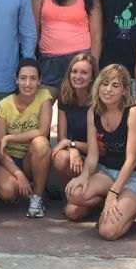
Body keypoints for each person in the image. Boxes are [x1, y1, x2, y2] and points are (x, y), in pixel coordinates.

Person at [65, 64, 136, 240]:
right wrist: (84, 176)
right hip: (107, 172)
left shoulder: (134, 113)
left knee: (108, 231)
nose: (108, 90)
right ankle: (114, 204)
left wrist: (113, 193)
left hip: (135, 175)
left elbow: (132, 160)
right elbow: (93, 155)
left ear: (125, 90)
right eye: (104, 84)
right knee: (73, 197)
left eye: (115, 85)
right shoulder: (93, 111)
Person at [32, 0, 102, 95]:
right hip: (48, 60)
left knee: (75, 112)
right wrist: (31, 62)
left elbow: (96, 36)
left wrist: (93, 69)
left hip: (79, 61)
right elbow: (34, 30)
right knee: (44, 110)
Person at [0, 59, 52, 218]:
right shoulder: (3, 105)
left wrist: (11, 136)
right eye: (23, 78)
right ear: (16, 79)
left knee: (42, 143)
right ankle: (18, 187)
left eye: (33, 78)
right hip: (7, 160)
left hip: (30, 158)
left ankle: (37, 198)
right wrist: (18, 174)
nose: (28, 83)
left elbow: (43, 130)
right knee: (7, 191)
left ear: (39, 80)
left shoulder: (44, 96)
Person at [51, 54, 99, 186]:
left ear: (92, 78)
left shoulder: (98, 102)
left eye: (84, 73)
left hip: (98, 158)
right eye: (74, 71)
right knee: (61, 158)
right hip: (78, 154)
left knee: (79, 206)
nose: (78, 76)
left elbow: (101, 149)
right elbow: (62, 138)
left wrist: (72, 144)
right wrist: (72, 149)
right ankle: (71, 194)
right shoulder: (65, 96)